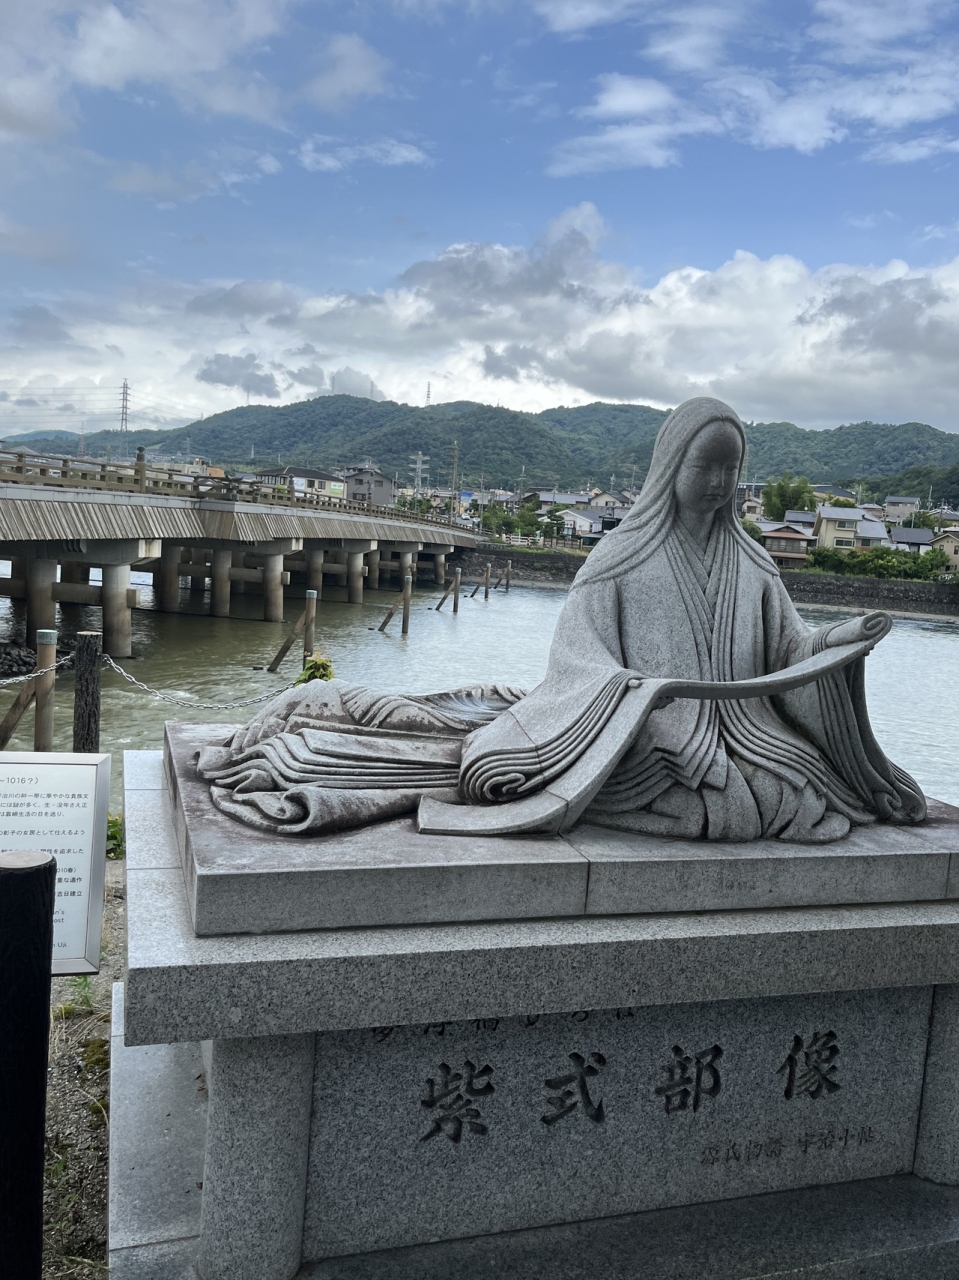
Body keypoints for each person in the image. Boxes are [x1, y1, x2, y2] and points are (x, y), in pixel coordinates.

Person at [198, 397, 924, 843]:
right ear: (669, 468)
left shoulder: (755, 564)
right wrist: (638, 701)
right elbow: (580, 659)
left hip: (744, 735)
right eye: (704, 466)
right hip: (635, 732)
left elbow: (788, 650)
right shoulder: (621, 555)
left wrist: (837, 640)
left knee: (793, 792)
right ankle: (326, 718)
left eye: (730, 471)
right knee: (724, 795)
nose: (718, 483)